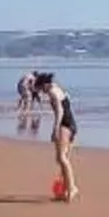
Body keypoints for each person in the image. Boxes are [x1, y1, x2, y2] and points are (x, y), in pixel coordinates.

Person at [33, 72, 78, 202]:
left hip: (65, 124)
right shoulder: (57, 88)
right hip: (72, 124)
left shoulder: (52, 92)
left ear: (45, 85)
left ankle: (72, 188)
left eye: (42, 89)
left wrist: (55, 129)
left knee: (62, 158)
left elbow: (60, 111)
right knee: (63, 159)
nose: (42, 93)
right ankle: (66, 189)